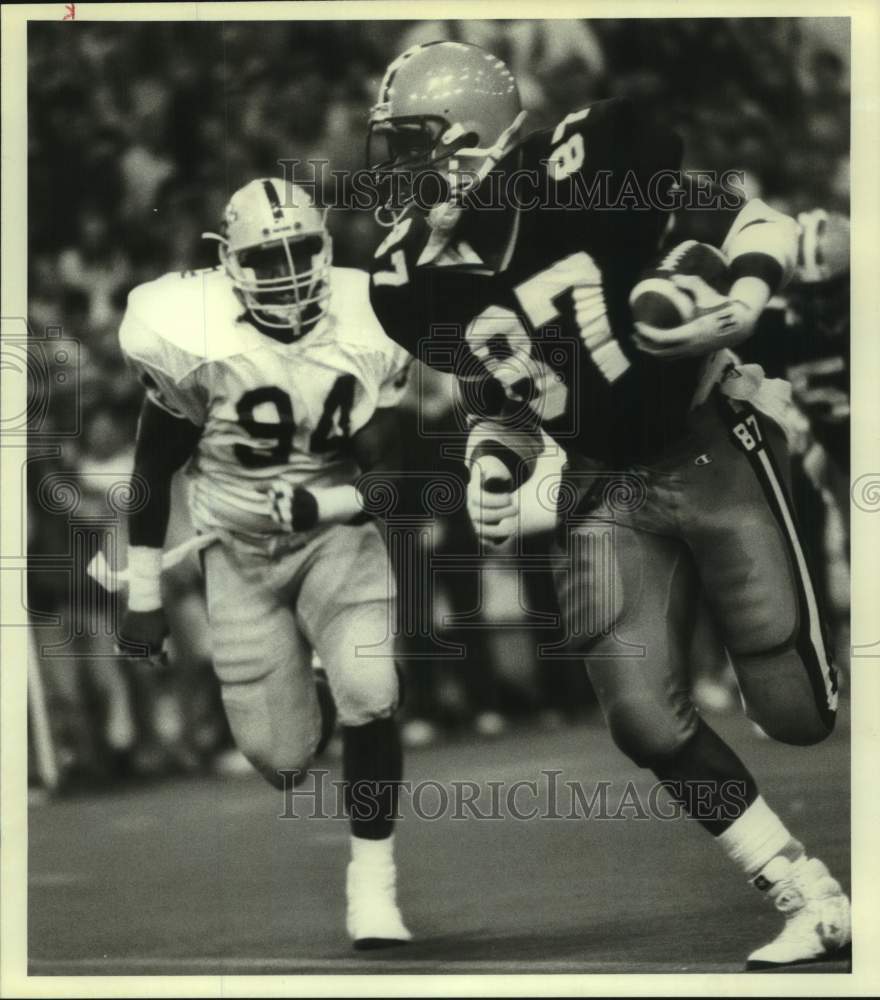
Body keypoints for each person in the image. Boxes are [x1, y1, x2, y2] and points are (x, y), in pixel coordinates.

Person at [364, 40, 850, 969]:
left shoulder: (585, 164)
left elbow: (753, 218)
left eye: (415, 145)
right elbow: (497, 386)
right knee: (640, 715)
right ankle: (805, 891)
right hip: (600, 480)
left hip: (705, 439)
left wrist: (742, 298)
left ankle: (778, 667)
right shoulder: (413, 275)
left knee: (797, 715)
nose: (399, 174)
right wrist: (490, 463)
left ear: (477, 138)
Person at [116, 177, 412, 949]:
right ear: (228, 264)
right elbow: (153, 469)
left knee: (373, 691)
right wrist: (143, 590)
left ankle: (372, 887)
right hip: (238, 555)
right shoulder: (191, 330)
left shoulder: (373, 316)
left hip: (337, 540)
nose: (284, 272)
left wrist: (332, 507)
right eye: (264, 257)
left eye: (297, 251)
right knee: (282, 760)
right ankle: (312, 681)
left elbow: (402, 476)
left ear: (325, 248)